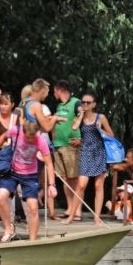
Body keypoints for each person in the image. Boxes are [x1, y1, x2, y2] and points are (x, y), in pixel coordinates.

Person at [0, 120, 57, 241]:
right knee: (0, 197)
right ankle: (8, 229)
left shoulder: (40, 140)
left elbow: (49, 164)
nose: (30, 140)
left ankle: (32, 240)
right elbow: (3, 136)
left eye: (32, 137)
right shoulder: (16, 131)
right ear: (23, 132)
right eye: (28, 137)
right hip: (12, 171)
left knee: (33, 207)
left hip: (30, 175)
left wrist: (52, 185)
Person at [62, 93, 115, 226]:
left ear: (94, 104)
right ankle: (71, 217)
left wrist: (100, 129)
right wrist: (80, 117)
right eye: (83, 102)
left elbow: (111, 135)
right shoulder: (80, 117)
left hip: (99, 153)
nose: (85, 104)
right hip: (86, 152)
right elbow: (73, 128)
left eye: (88, 102)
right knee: (81, 185)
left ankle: (97, 218)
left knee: (98, 186)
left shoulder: (100, 117)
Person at [52, 80, 83, 220]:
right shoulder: (59, 105)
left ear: (60, 90)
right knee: (64, 178)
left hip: (70, 146)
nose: (53, 94)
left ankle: (78, 211)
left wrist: (81, 139)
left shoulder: (76, 103)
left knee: (74, 178)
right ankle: (70, 207)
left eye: (54, 91)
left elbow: (84, 119)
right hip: (58, 145)